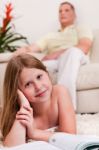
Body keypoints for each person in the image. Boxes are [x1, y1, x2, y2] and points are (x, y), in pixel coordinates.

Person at [14, 1, 93, 110]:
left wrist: (56, 54)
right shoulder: (50, 36)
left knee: (72, 52)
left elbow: (84, 46)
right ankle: (26, 108)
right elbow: (30, 48)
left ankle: (66, 108)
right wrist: (18, 52)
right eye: (60, 11)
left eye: (66, 10)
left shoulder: (81, 28)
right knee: (35, 67)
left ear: (74, 15)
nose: (62, 13)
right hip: (55, 62)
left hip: (77, 57)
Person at [0, 54, 76, 147]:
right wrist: (24, 106)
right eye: (28, 84)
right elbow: (11, 146)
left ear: (47, 73)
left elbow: (70, 137)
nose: (38, 87)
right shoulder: (20, 112)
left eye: (39, 77)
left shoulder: (60, 92)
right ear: (17, 91)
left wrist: (34, 133)